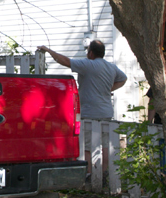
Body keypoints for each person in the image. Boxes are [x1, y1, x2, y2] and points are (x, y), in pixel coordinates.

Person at [37, 40, 127, 173]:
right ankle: (105, 173)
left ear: (91, 53)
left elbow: (66, 61)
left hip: (90, 113)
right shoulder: (111, 67)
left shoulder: (88, 64)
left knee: (87, 145)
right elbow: (123, 78)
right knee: (105, 145)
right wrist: (108, 89)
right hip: (107, 111)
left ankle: (89, 173)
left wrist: (49, 51)